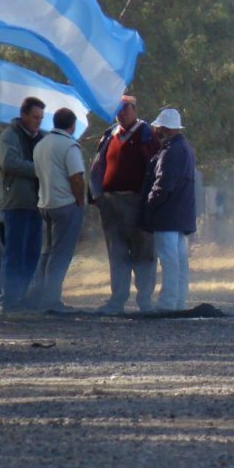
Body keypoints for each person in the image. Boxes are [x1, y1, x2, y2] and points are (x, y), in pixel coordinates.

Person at [89, 95, 160, 314]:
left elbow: (157, 168)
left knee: (143, 250)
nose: (122, 114)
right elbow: (97, 166)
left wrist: (149, 201)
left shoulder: (147, 135)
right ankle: (117, 300)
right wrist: (98, 196)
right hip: (110, 203)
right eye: (118, 110)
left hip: (136, 202)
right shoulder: (110, 135)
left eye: (126, 109)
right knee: (116, 251)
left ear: (135, 109)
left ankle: (145, 301)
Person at [27, 107, 86, 312]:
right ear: (72, 125)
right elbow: (76, 177)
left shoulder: (41, 145)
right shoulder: (70, 146)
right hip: (65, 204)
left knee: (48, 252)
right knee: (61, 254)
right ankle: (52, 299)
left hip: (45, 204)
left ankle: (37, 294)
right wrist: (80, 201)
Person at [141, 108, 197, 312]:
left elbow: (163, 184)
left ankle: (167, 303)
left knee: (169, 260)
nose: (156, 130)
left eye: (159, 127)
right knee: (179, 260)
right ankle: (178, 301)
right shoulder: (185, 149)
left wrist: (150, 203)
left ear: (165, 128)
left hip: (167, 215)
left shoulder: (171, 151)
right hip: (180, 215)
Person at [0, 96, 46, 312]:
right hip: (16, 204)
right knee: (14, 252)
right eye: (35, 117)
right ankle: (9, 299)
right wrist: (40, 168)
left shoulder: (42, 138)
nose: (38, 121)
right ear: (24, 115)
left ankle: (23, 297)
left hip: (38, 205)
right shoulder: (9, 136)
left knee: (33, 252)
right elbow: (9, 162)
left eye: (41, 118)